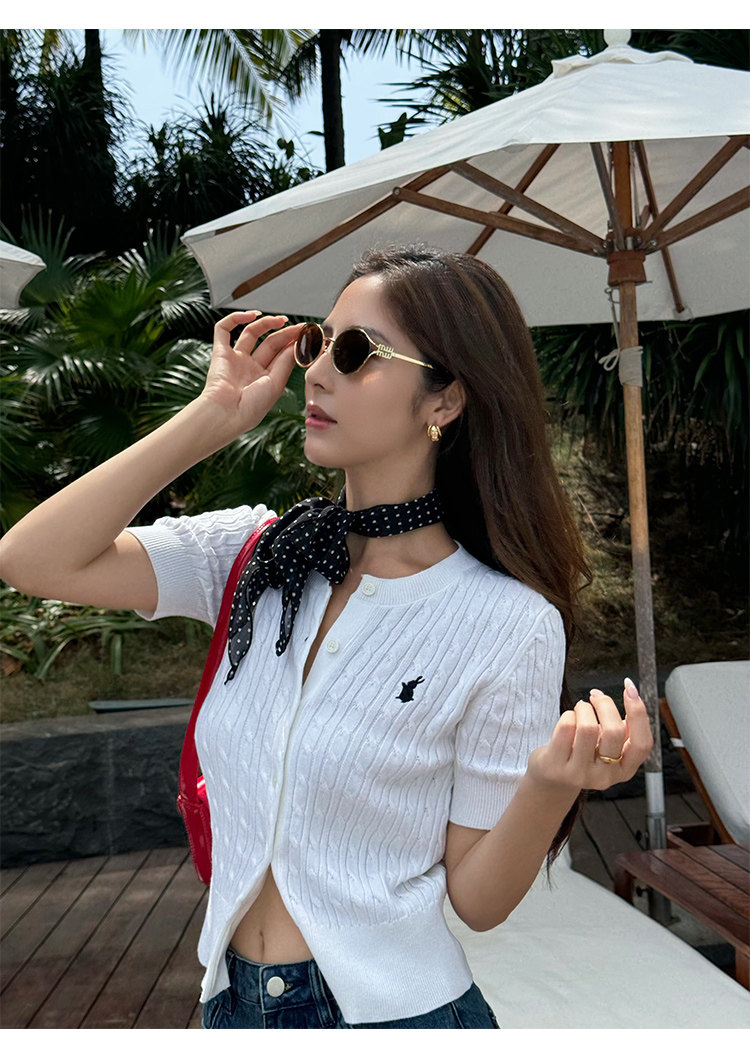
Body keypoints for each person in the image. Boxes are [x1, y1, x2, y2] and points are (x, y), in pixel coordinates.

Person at [0, 245, 653, 1029]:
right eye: (319, 343)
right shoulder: (257, 558)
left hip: (395, 1020)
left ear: (445, 400)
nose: (315, 373)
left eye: (357, 353)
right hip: (231, 1005)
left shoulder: (506, 621)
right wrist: (212, 419)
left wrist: (550, 783)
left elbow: (479, 902)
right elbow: (32, 559)